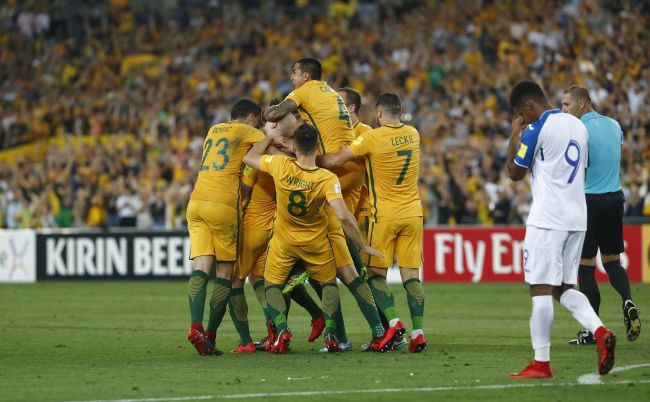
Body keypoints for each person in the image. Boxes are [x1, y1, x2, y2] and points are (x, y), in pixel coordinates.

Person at [265, 58, 383, 351]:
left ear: (304, 75)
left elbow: (277, 113)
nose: (291, 79)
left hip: (332, 176)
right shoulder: (332, 97)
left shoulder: (303, 93)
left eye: (293, 74)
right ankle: (373, 330)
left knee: (340, 273)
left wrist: (270, 125)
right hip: (342, 171)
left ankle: (343, 334)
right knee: (345, 271)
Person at [242, 124, 393, 353]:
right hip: (317, 242)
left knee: (271, 285)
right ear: (318, 146)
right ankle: (331, 334)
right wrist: (362, 245)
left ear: (293, 146)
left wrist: (269, 138)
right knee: (330, 285)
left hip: (285, 242)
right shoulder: (326, 178)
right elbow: (343, 216)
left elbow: (249, 158)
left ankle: (281, 329)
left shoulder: (280, 165)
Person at [505, 80, 616, 378]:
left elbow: (514, 173)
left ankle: (541, 363)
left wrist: (514, 135)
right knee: (564, 288)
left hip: (547, 219)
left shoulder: (535, 129)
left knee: (540, 289)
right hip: (576, 218)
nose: (523, 119)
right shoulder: (578, 127)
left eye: (522, 113)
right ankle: (600, 330)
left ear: (529, 106)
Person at [319, 93, 426, 353]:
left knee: (376, 276)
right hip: (413, 213)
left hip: (384, 216)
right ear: (399, 111)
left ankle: (393, 321)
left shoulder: (371, 138)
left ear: (378, 114)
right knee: (411, 277)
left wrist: (310, 157)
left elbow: (333, 161)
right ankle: (418, 332)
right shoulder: (413, 134)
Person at [229, 111, 326, 353]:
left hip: (254, 226)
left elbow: (243, 191)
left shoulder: (267, 159)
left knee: (239, 282)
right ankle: (309, 317)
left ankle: (257, 337)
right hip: (277, 227)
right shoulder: (294, 158)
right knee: (273, 281)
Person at [561, 84, 641, 345]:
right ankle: (627, 300)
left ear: (581, 104)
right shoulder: (615, 125)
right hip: (615, 198)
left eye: (567, 105)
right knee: (612, 261)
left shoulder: (578, 130)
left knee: (585, 269)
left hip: (589, 201)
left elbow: (577, 168)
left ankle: (593, 330)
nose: (564, 110)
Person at [185, 99, 265, 356]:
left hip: (196, 203)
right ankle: (209, 333)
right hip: (222, 204)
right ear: (252, 117)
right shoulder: (247, 131)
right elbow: (269, 139)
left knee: (200, 268)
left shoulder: (213, 129)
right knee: (225, 275)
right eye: (259, 119)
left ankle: (196, 328)